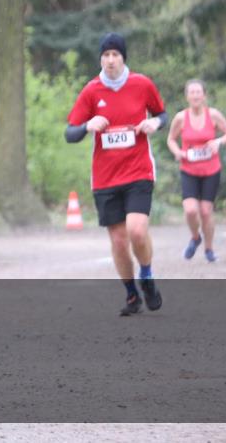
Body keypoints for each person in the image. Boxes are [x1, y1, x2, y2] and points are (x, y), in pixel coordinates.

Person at [65, 33, 167, 316]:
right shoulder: (91, 91)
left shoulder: (141, 84)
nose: (110, 60)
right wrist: (88, 125)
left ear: (123, 58)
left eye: (115, 55)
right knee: (119, 240)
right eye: (106, 55)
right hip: (106, 177)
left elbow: (163, 114)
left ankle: (146, 275)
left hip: (138, 171)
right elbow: (69, 133)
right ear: (101, 59)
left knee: (136, 230)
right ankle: (132, 294)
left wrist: (154, 124)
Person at [166, 79, 226, 262]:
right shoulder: (181, 118)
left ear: (204, 95)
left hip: (211, 170)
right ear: (187, 96)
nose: (196, 95)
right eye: (192, 92)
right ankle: (195, 238)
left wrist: (218, 141)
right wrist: (177, 152)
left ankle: (209, 249)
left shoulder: (213, 115)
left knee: (206, 211)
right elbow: (171, 139)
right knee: (190, 210)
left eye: (199, 92)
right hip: (189, 169)